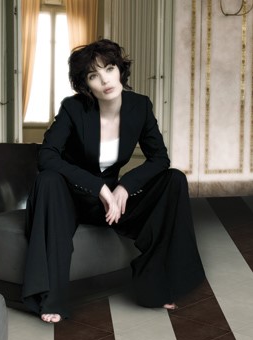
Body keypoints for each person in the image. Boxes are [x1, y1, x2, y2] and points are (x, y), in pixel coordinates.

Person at [22, 39, 205, 323]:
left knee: (174, 180)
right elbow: (47, 156)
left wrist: (124, 187)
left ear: (120, 70)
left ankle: (158, 286)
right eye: (93, 75)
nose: (105, 80)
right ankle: (51, 298)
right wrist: (98, 187)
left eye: (109, 69)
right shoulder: (73, 109)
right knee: (48, 180)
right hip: (70, 199)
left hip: (111, 202)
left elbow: (160, 158)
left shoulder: (140, 106)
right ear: (85, 85)